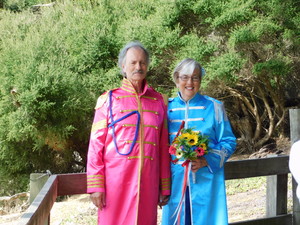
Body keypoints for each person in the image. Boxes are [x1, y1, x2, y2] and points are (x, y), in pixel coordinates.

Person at [86, 41, 171, 225]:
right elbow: (95, 146)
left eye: (142, 62)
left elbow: (163, 147)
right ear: (123, 66)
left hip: (148, 185)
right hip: (115, 186)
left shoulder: (158, 101)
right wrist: (95, 186)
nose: (138, 67)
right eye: (133, 62)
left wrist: (164, 186)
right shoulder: (108, 100)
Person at [162, 58, 237, 225]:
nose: (190, 82)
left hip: (206, 183)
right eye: (185, 77)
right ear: (176, 79)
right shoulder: (166, 108)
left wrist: (206, 160)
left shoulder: (215, 107)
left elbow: (229, 141)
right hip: (175, 183)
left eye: (195, 77)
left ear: (200, 81)